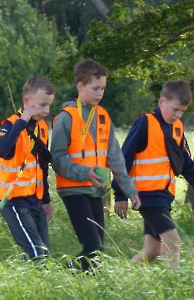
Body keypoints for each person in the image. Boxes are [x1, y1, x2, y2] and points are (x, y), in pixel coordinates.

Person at [112, 80, 194, 268]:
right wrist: (120, 194)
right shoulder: (145, 123)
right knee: (173, 242)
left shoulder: (177, 128)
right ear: (162, 102)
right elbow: (123, 159)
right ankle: (175, 287)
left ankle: (117, 278)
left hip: (163, 196)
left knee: (152, 251)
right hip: (146, 196)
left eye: (182, 111)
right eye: (175, 109)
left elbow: (186, 163)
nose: (178, 115)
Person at [50, 59, 141, 271]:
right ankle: (61, 274)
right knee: (92, 246)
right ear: (80, 86)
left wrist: (129, 190)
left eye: (103, 88)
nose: (100, 93)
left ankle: (77, 279)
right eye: (95, 88)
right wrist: (84, 173)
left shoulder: (103, 116)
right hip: (73, 189)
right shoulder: (65, 118)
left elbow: (115, 158)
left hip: (96, 190)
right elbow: (57, 159)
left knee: (98, 251)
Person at [0, 76, 55, 260]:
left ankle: (28, 283)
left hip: (35, 200)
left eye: (49, 106)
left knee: (45, 254)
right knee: (38, 254)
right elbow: (1, 150)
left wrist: (45, 200)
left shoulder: (42, 128)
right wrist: (22, 122)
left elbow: (42, 167)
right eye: (42, 105)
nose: (46, 110)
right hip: (13, 200)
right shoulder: (11, 124)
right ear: (27, 102)